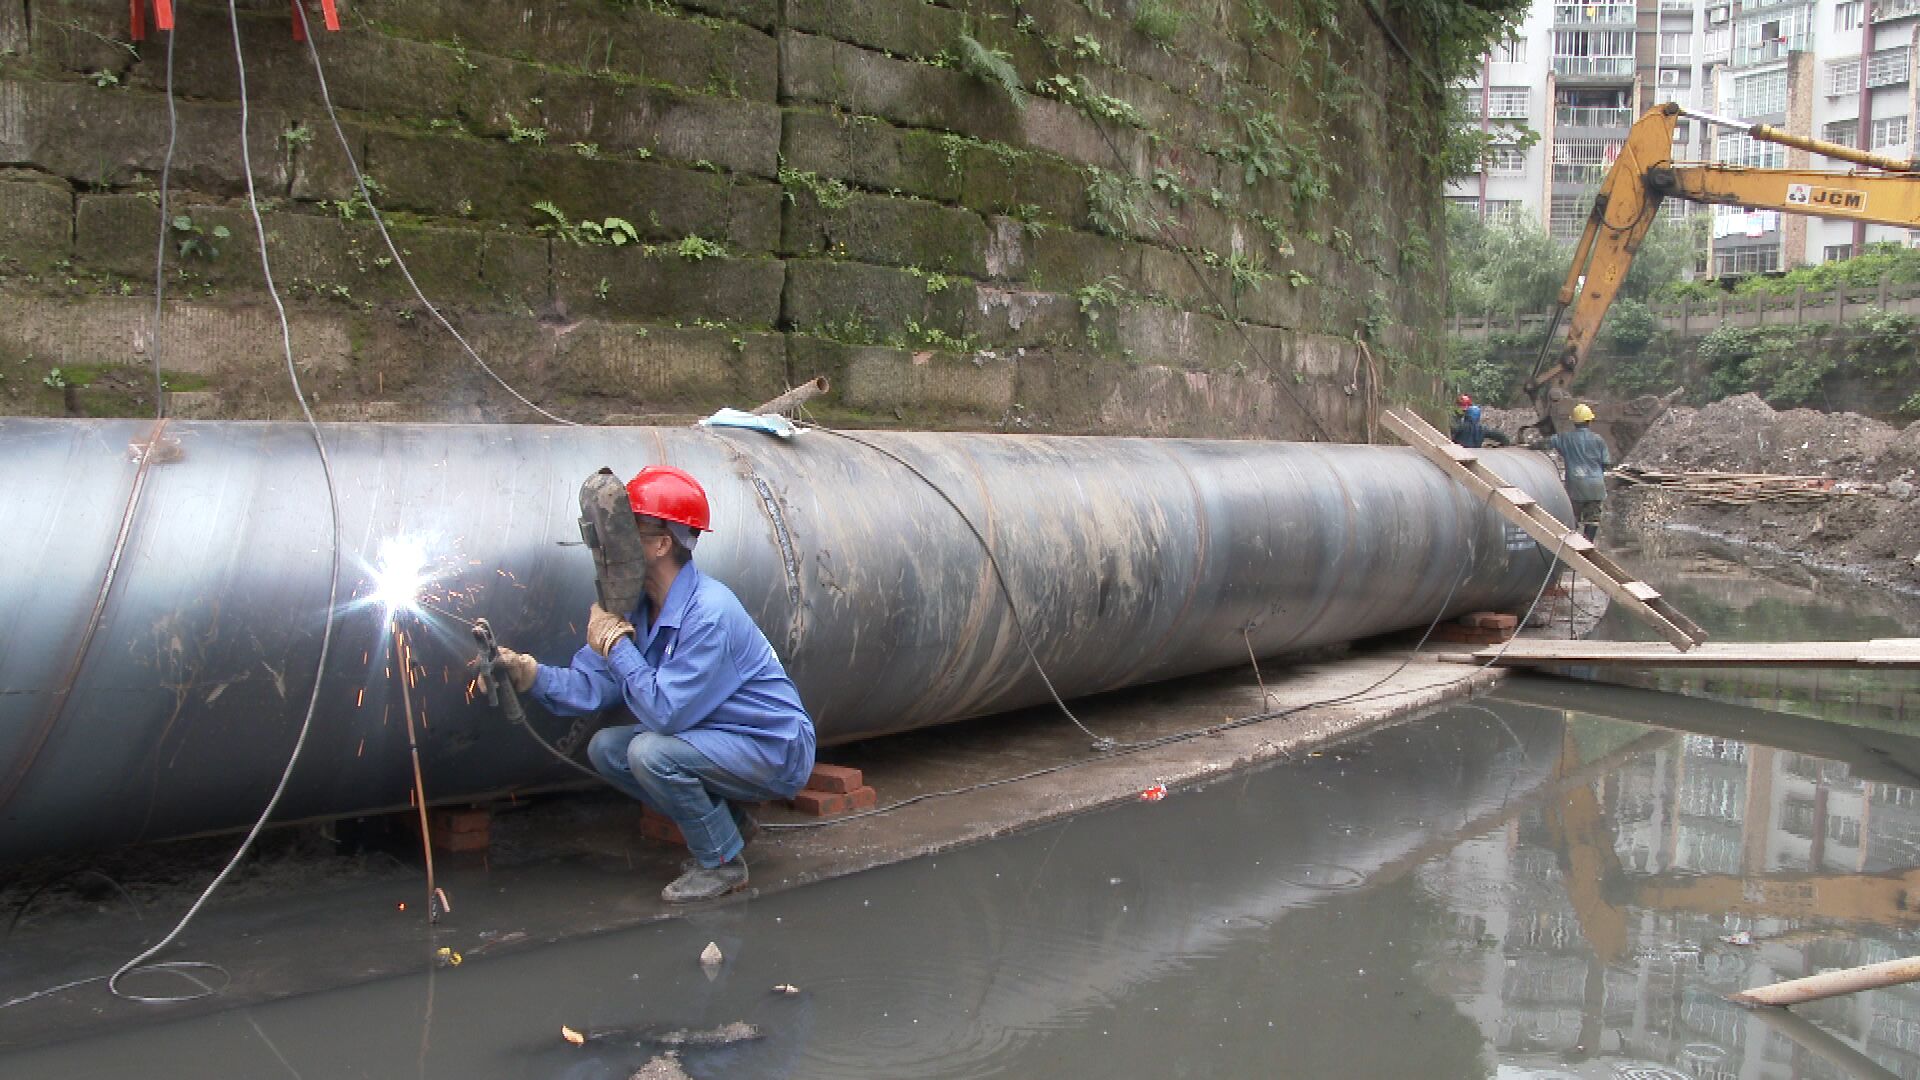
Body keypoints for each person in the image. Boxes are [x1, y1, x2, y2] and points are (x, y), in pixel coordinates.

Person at [494, 465, 816, 903]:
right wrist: (531, 676)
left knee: (650, 751)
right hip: (715, 740)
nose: (615, 544)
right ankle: (729, 827)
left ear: (662, 544)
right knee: (607, 749)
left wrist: (618, 647)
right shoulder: (636, 607)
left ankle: (722, 864)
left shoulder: (709, 613)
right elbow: (593, 685)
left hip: (772, 747)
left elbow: (666, 713)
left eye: (631, 532)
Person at [1547, 403, 1610, 542]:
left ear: (1574, 421)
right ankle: (1587, 545)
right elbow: (1606, 463)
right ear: (1589, 421)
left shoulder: (1565, 438)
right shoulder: (1599, 440)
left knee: (1572, 518)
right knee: (1592, 519)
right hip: (1596, 486)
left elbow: (1546, 443)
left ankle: (1572, 546)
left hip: (1576, 485)